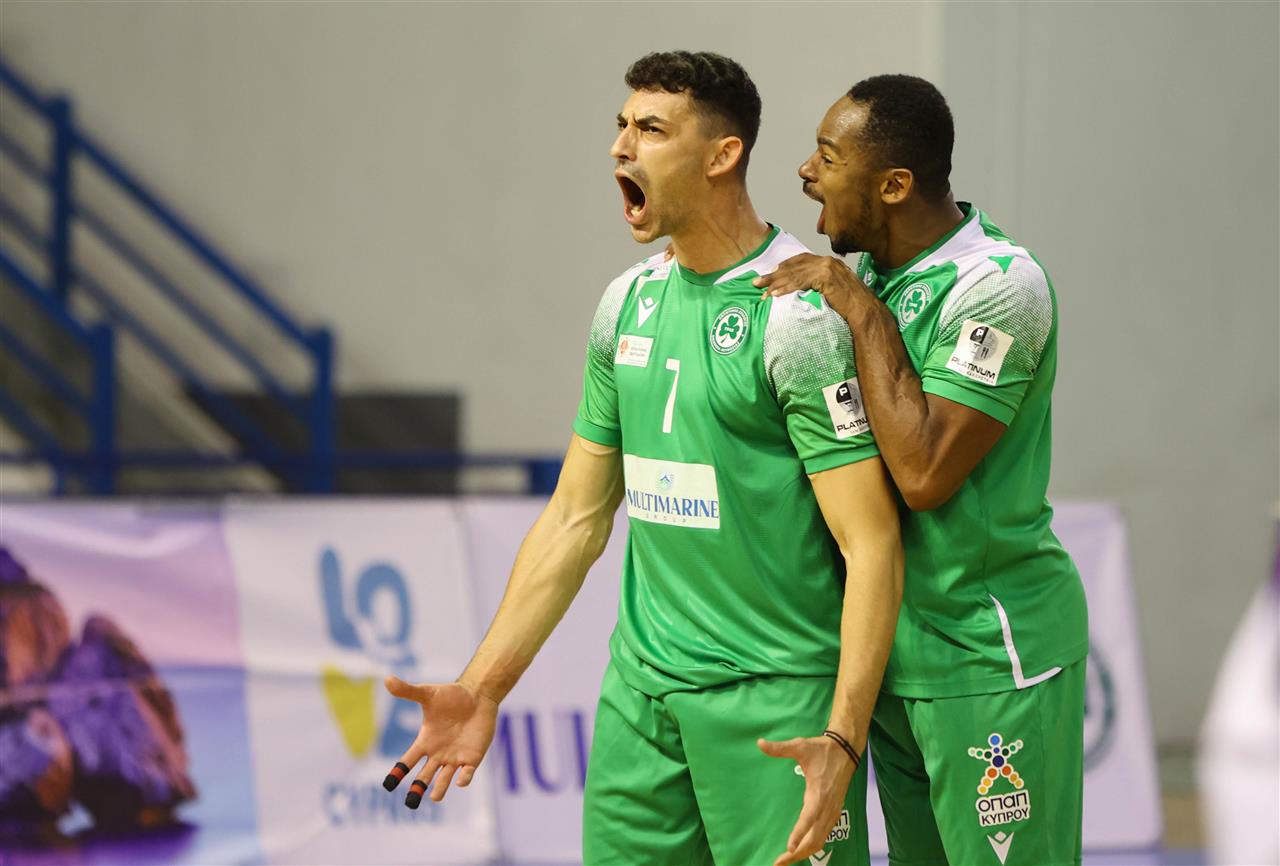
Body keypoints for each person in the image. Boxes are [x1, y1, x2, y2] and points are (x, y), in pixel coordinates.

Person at [382, 52, 903, 866]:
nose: (621, 147)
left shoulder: (796, 318)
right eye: (621, 126)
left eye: (651, 130)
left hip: (773, 705)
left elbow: (870, 543)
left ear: (722, 155)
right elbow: (574, 520)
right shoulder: (625, 302)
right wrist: (482, 686)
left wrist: (842, 735)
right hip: (641, 700)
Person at [756, 74, 1090, 866]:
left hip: (987, 653)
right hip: (894, 662)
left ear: (894, 185)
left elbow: (924, 473)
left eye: (828, 156)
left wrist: (856, 304)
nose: (805, 171)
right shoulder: (873, 273)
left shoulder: (1001, 286)